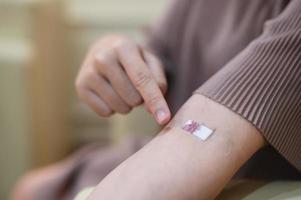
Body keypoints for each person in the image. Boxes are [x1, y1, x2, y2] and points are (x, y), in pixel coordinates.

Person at [12, 0, 301, 199]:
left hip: (238, 173)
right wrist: (116, 55)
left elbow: (204, 139)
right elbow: (158, 49)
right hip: (161, 147)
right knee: (31, 188)